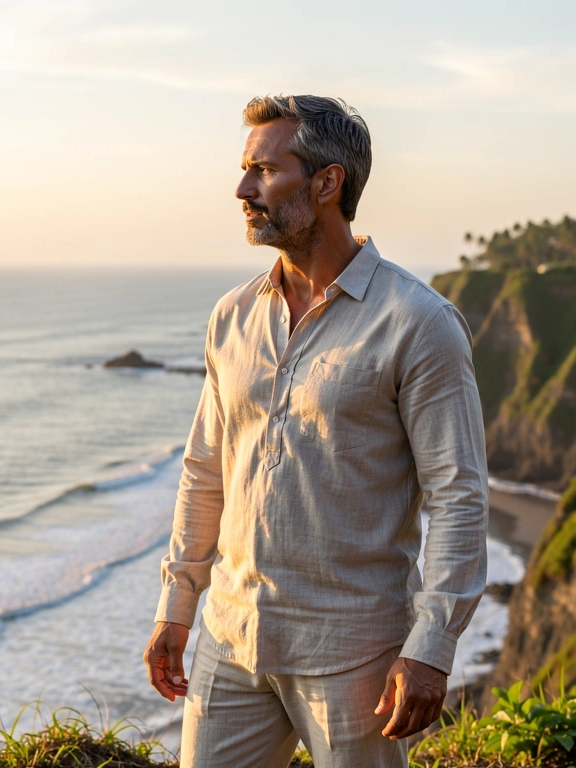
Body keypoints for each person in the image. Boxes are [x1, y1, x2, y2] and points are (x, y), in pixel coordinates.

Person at [143, 95, 489, 768]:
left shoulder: (418, 322)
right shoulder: (232, 315)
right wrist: (176, 603)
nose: (243, 189)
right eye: (246, 170)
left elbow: (458, 494)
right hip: (231, 637)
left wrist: (432, 646)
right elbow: (205, 468)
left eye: (265, 171)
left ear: (327, 184)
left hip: (354, 653)